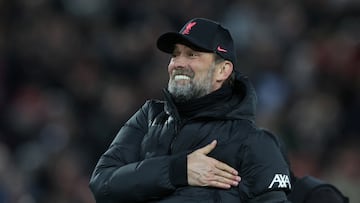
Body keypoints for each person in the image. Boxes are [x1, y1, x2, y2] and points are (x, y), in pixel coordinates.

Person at [89, 17, 292, 203]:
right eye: (175, 55)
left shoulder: (255, 144)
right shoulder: (149, 117)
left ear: (223, 70)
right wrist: (178, 170)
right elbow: (101, 184)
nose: (178, 63)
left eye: (192, 54)